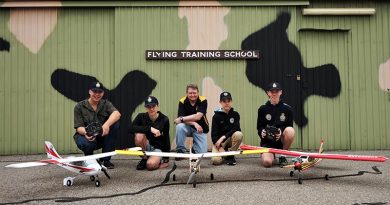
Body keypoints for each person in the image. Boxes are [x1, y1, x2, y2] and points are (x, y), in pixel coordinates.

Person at [73, 81, 121, 169]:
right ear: (89, 92)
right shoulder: (79, 106)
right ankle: (89, 158)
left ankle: (106, 160)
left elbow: (117, 114)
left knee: (115, 124)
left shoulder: (106, 104)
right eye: (94, 91)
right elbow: (78, 128)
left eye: (100, 92)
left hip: (101, 136)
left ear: (103, 93)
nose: (97, 94)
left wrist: (106, 125)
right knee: (86, 144)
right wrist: (86, 133)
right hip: (86, 136)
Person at [257, 82, 295, 167]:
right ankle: (271, 154)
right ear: (268, 93)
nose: (274, 94)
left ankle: (283, 155)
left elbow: (289, 126)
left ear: (281, 92)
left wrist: (280, 131)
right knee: (267, 163)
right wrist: (262, 132)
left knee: (290, 131)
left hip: (280, 140)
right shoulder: (262, 109)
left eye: (276, 91)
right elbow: (259, 127)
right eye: (272, 91)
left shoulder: (288, 109)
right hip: (267, 141)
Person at [129, 96, 170, 171]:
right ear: (146, 108)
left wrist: (166, 158)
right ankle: (144, 159)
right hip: (145, 146)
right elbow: (130, 128)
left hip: (157, 148)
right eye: (148, 106)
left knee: (150, 166)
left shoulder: (164, 119)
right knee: (139, 135)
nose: (151, 109)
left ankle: (154, 161)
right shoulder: (141, 116)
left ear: (158, 106)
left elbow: (166, 137)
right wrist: (150, 129)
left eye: (153, 106)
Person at [174, 84, 209, 157]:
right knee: (180, 126)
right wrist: (194, 123)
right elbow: (180, 121)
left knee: (202, 153)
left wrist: (181, 119)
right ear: (186, 93)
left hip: (200, 128)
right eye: (190, 93)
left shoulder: (203, 100)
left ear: (198, 93)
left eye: (194, 93)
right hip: (188, 127)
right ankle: (180, 150)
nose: (192, 95)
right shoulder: (182, 101)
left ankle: (194, 148)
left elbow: (198, 117)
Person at [211, 92, 243, 166]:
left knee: (238, 134)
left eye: (228, 101)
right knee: (216, 161)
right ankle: (225, 154)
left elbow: (236, 128)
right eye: (224, 101)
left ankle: (230, 156)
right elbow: (214, 135)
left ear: (231, 101)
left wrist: (223, 137)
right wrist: (220, 147)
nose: (227, 103)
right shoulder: (216, 116)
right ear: (220, 102)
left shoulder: (235, 114)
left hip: (230, 139)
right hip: (219, 142)